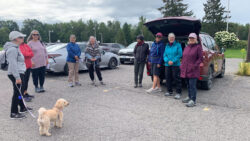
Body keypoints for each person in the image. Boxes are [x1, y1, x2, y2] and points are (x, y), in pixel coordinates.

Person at [4, 31, 32, 119]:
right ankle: (13, 112)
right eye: (21, 37)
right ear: (15, 39)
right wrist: (17, 77)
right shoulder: (12, 49)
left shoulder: (16, 47)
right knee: (17, 93)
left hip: (20, 72)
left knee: (20, 92)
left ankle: (22, 107)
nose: (23, 39)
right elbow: (12, 64)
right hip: (16, 74)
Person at [180, 33, 203, 107]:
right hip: (185, 69)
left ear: (196, 39)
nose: (191, 39)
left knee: (192, 85)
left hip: (193, 70)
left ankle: (193, 100)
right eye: (190, 38)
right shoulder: (187, 47)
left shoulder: (198, 47)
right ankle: (189, 97)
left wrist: (194, 66)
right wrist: (182, 66)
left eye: (193, 38)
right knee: (188, 85)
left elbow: (200, 59)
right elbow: (184, 57)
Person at [163, 33, 183, 99]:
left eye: (172, 37)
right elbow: (164, 55)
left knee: (176, 78)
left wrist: (173, 61)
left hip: (176, 64)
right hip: (167, 64)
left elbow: (179, 54)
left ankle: (178, 92)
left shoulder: (178, 45)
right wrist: (167, 61)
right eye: (170, 37)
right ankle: (169, 91)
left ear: (174, 38)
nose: (171, 38)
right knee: (168, 77)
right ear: (168, 38)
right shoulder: (167, 46)